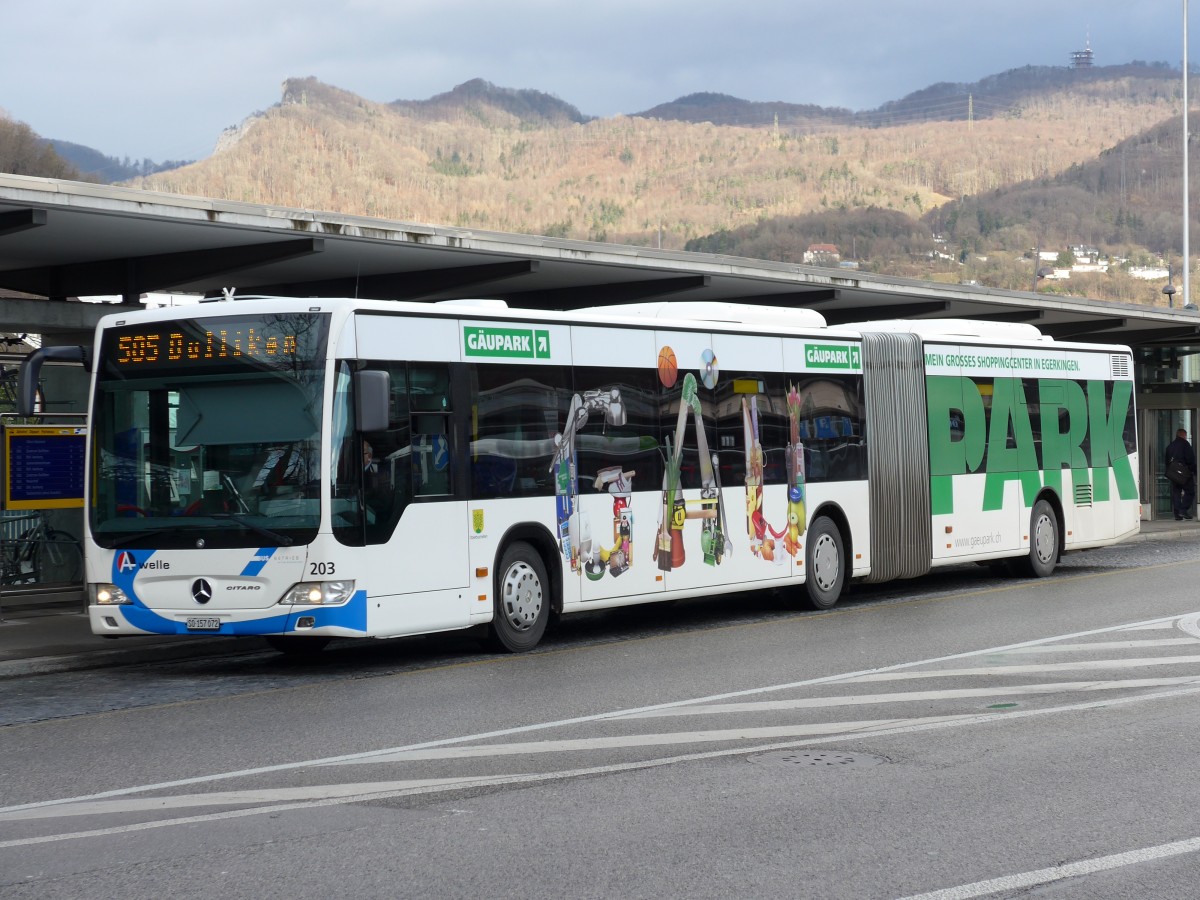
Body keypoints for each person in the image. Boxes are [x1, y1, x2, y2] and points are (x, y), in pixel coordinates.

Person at [1165, 428, 1196, 520]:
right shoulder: (1186, 445)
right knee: (1190, 492)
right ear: (1184, 435)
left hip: (1173, 474)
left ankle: (1177, 514)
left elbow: (1167, 460)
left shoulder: (1170, 446)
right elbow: (1191, 459)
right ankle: (1183, 510)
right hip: (1184, 473)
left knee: (1176, 492)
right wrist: (1193, 470)